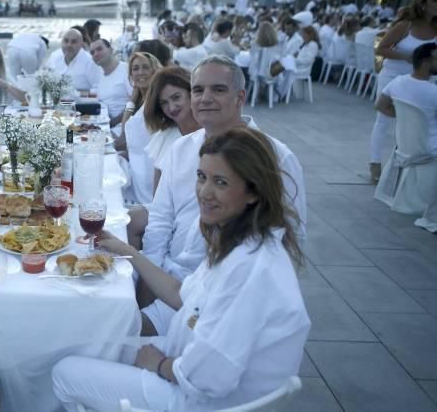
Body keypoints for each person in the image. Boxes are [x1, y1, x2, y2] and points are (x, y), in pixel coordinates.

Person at [53, 127, 310, 412]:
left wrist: (160, 364)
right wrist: (126, 250)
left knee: (64, 371)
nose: (205, 192)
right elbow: (180, 293)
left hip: (198, 401)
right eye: (202, 177)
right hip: (189, 362)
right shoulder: (242, 240)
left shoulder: (251, 268)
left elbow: (209, 378)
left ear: (253, 192)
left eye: (221, 182)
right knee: (88, 344)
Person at [138, 56, 306, 311]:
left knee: (116, 339)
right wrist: (150, 278)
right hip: (171, 278)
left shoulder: (275, 156)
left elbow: (291, 236)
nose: (205, 98)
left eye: (218, 89)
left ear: (240, 97)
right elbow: (161, 218)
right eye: (197, 90)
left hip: (224, 296)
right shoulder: (181, 148)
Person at [127, 67, 201, 250]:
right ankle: (135, 275)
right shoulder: (166, 136)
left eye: (176, 97)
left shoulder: (206, 132)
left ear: (191, 93)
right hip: (168, 209)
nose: (171, 107)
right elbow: (157, 195)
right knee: (128, 220)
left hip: (196, 212)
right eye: (164, 103)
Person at [370, 0, 437, 183]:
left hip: (423, 80)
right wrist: (407, 56)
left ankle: (404, 163)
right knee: (383, 120)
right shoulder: (406, 25)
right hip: (393, 76)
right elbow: (381, 49)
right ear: (423, 3)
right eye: (435, 1)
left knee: (414, 122)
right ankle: (374, 163)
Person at [375, 42, 437, 155]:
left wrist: (406, 116)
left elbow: (380, 106)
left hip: (404, 147)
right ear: (425, 64)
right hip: (430, 150)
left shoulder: (397, 82)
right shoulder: (434, 91)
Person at [122, 52, 163, 205]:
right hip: (137, 170)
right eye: (135, 69)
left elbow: (123, 136)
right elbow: (125, 130)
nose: (140, 72)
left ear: (154, 71)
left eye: (145, 67)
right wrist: (133, 99)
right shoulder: (142, 99)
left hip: (149, 176)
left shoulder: (158, 102)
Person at [90, 38, 133, 133]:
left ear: (111, 49)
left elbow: (136, 102)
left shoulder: (126, 70)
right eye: (92, 52)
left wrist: (112, 123)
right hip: (105, 124)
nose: (96, 54)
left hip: (124, 126)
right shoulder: (101, 75)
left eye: (99, 49)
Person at [43, 28, 103, 93]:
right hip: (55, 101)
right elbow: (43, 78)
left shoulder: (90, 62)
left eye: (74, 42)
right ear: (61, 42)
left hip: (80, 102)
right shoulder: (54, 56)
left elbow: (100, 89)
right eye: (66, 41)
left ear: (81, 44)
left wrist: (77, 94)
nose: (69, 45)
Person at [278, 26, 320, 98]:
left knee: (285, 70)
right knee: (282, 68)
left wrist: (294, 60)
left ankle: (281, 93)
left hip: (303, 68)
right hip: (298, 65)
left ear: (309, 35)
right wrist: (294, 57)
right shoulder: (306, 44)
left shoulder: (313, 45)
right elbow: (300, 56)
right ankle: (281, 91)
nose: (302, 36)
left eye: (304, 34)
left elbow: (307, 61)